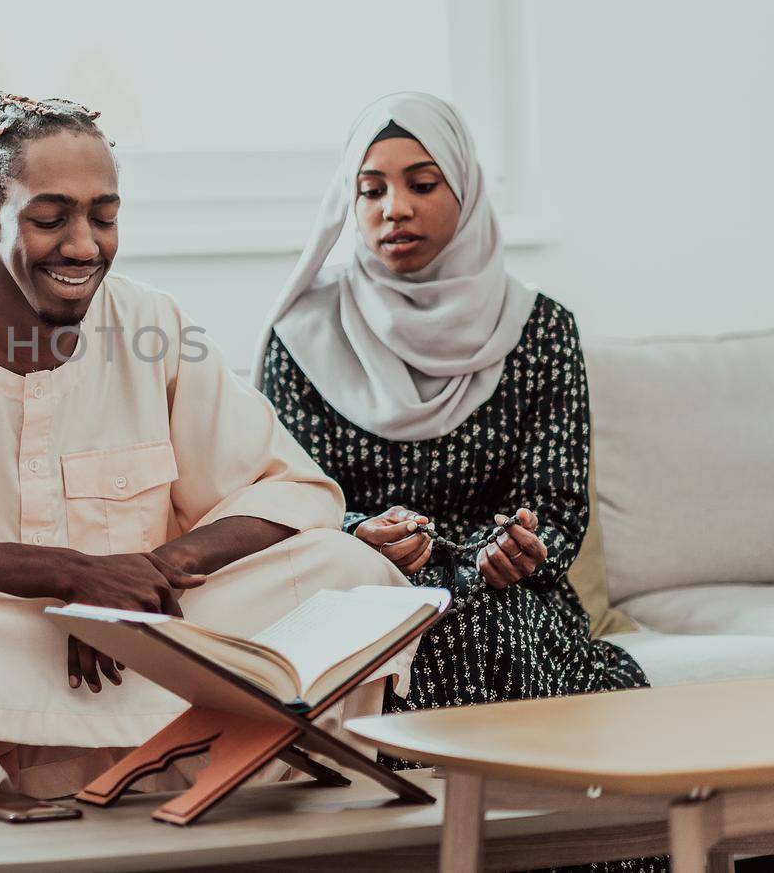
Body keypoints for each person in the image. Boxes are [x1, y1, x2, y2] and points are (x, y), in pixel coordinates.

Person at [0, 92, 409, 820]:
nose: (83, 245)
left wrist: (150, 577)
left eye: (104, 216)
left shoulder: (154, 323)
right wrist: (73, 577)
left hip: (147, 641)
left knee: (351, 572)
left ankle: (264, 834)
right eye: (50, 218)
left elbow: (293, 489)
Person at [255, 91, 658, 873]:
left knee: (499, 632)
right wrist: (360, 537)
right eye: (370, 189)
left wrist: (507, 551)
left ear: (465, 190)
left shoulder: (540, 329)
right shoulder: (300, 338)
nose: (392, 208)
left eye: (421, 182)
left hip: (514, 594)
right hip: (362, 601)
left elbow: (558, 500)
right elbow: (289, 499)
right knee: (434, 639)